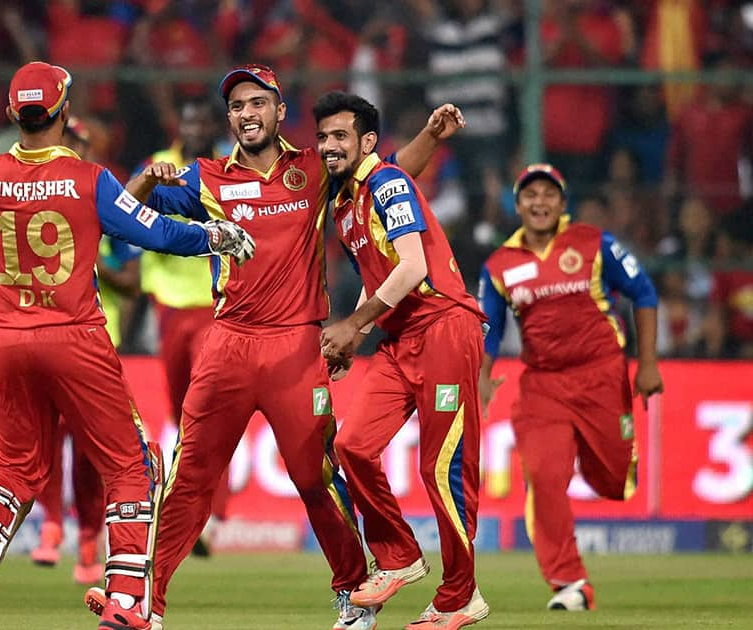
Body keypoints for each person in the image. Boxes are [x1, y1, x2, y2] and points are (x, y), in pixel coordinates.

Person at [86, 63, 465, 630]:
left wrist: (431, 138)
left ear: (278, 111)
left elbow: (383, 180)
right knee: (189, 478)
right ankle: (145, 605)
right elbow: (124, 216)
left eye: (256, 103)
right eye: (237, 106)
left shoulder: (313, 169)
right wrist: (145, 182)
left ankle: (354, 595)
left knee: (315, 478)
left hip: (295, 349)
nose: (246, 114)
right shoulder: (207, 177)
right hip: (228, 347)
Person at [0, 61, 255, 629]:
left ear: (12, 115)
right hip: (76, 338)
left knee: (16, 469)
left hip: (8, 342)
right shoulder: (89, 180)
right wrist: (214, 234)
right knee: (132, 467)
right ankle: (124, 602)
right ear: (65, 112)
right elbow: (156, 231)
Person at [314, 91, 490, 630]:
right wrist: (432, 137)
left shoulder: (385, 183)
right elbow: (395, 170)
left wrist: (353, 325)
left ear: (366, 142)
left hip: (444, 326)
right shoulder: (346, 201)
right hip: (399, 337)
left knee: (442, 468)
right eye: (322, 137)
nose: (327, 146)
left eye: (340, 136)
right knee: (352, 444)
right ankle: (399, 557)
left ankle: (460, 596)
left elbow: (413, 265)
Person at [478, 163, 664, 611]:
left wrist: (649, 365)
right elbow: (489, 327)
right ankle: (569, 583)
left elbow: (644, 293)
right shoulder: (500, 265)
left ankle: (617, 460)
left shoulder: (595, 244)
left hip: (601, 375)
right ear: (517, 204)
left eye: (548, 195)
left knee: (614, 482)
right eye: (529, 195)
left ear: (562, 203)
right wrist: (480, 378)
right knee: (543, 476)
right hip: (542, 385)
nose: (538, 202)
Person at [28, 116, 140, 585]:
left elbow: (133, 283)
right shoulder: (36, 203)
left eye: (80, 142)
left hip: (97, 340)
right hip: (45, 334)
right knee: (46, 440)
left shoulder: (109, 201)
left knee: (92, 453)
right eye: (67, 139)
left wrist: (90, 259)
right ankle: (52, 527)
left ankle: (90, 541)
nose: (71, 147)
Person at [134, 97, 230, 554]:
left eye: (203, 121)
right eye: (189, 119)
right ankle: (189, 507)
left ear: (214, 125)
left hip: (216, 305)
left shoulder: (231, 168)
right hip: (170, 304)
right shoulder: (155, 167)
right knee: (180, 412)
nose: (195, 128)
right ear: (180, 124)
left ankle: (206, 518)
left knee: (207, 409)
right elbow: (128, 213)